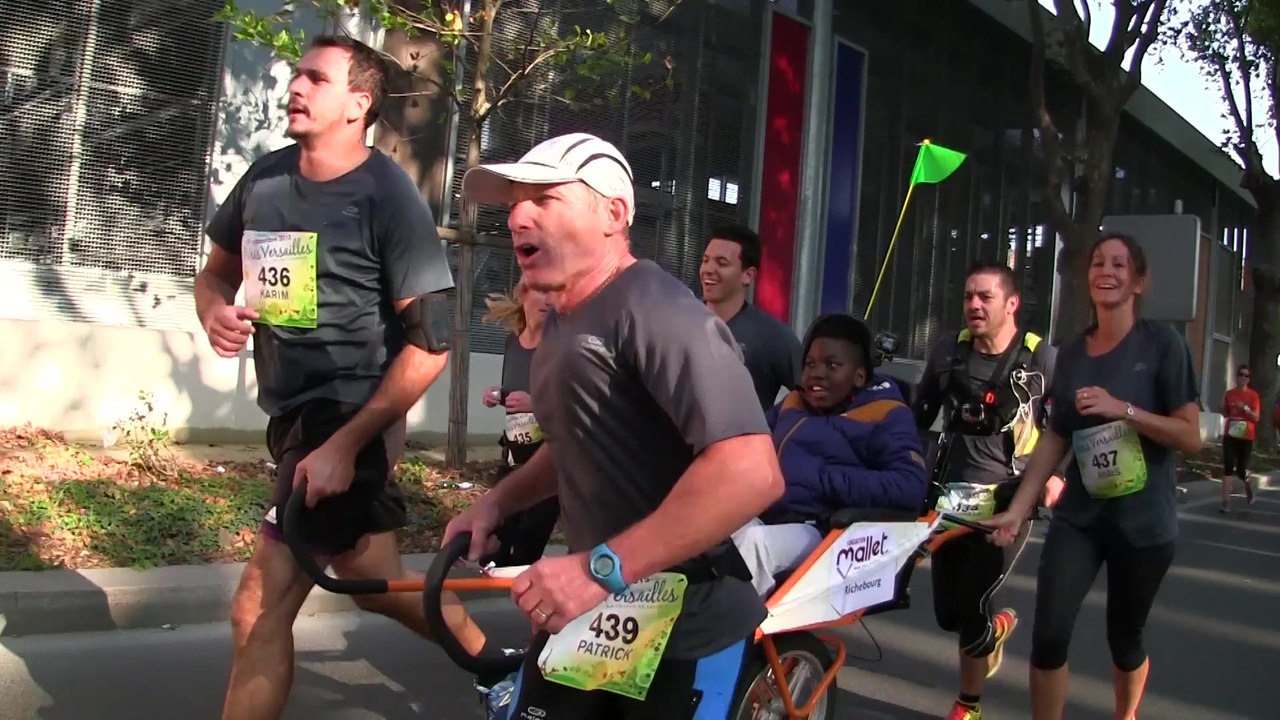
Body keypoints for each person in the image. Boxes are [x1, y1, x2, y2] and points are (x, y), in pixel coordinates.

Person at [444, 131, 785, 719]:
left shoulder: (652, 305)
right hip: (600, 614)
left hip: (685, 620)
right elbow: (580, 439)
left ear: (614, 213)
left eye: (544, 198)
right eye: (515, 201)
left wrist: (597, 570)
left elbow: (751, 472)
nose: (518, 214)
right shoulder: (562, 319)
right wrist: (496, 503)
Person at [195, 35, 488, 720]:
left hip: (347, 414)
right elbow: (215, 272)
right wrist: (215, 312)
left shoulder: (389, 196)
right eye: (296, 75)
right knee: (372, 577)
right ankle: (501, 670)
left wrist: (347, 445)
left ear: (358, 103)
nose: (295, 87)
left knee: (256, 608)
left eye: (315, 79)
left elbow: (430, 343)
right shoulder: (265, 180)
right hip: (291, 415)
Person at [984, 233, 1202, 720]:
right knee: (1049, 634)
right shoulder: (1072, 354)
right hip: (1080, 519)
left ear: (1139, 281)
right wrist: (1018, 511)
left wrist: (1123, 410)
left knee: (1125, 639)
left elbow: (1190, 437)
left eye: (1121, 264)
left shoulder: (1163, 345)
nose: (1107, 270)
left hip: (1144, 524)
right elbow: (1055, 439)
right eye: (1099, 262)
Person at [912, 262, 1065, 720]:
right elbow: (919, 416)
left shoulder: (1041, 358)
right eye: (968, 297)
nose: (974, 306)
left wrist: (1057, 476)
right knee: (949, 615)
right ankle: (995, 631)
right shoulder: (947, 352)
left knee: (974, 600)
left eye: (985, 297)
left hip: (1009, 501)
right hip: (952, 499)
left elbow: (1068, 427)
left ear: (1011, 303)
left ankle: (968, 705)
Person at [732, 313, 929, 597]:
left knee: (755, 544)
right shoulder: (794, 402)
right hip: (766, 512)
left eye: (832, 365)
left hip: (824, 530)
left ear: (859, 375)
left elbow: (908, 485)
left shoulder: (886, 413)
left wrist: (820, 479)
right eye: (810, 364)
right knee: (711, 531)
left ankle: (720, 639)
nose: (816, 373)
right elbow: (749, 441)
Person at [479, 277, 561, 564]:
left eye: (555, 293)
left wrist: (536, 404)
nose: (549, 300)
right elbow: (513, 391)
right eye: (541, 291)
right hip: (512, 459)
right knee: (495, 542)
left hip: (548, 465)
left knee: (527, 550)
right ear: (524, 295)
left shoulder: (561, 348)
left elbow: (575, 405)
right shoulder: (512, 342)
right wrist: (496, 395)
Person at [700, 224, 802, 410]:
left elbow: (808, 393)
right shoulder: (680, 321)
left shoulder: (773, 336)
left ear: (748, 275)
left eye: (722, 263)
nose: (708, 269)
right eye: (706, 260)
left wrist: (775, 423)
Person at [1220, 363, 1259, 512]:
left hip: (1246, 435)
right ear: (1237, 377)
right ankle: (1225, 501)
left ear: (1249, 379)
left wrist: (1245, 408)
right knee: (1228, 466)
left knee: (1241, 470)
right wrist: (1222, 407)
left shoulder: (1253, 395)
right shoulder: (1230, 393)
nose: (1243, 378)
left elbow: (1256, 418)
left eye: (1246, 375)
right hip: (1230, 433)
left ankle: (1248, 485)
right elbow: (1225, 413)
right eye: (1241, 374)